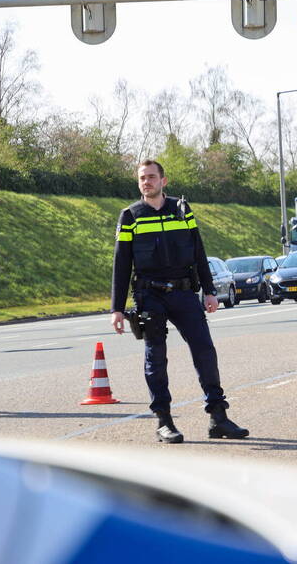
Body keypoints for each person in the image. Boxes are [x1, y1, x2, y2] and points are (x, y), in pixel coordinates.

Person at [110, 160, 249, 444]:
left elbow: (199, 251)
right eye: (141, 178)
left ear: (164, 180)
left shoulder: (182, 210)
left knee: (205, 351)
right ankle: (164, 421)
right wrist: (116, 308)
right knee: (156, 358)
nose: (146, 182)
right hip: (149, 295)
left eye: (151, 177)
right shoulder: (131, 216)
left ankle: (218, 417)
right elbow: (121, 264)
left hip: (184, 292)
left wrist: (210, 291)